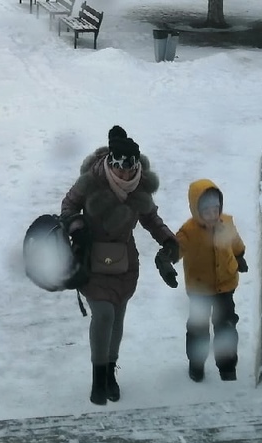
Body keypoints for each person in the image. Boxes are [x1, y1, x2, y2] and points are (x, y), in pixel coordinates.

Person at [61, 125, 180, 406]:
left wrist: (167, 239)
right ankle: (98, 378)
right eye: (120, 169)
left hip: (124, 265)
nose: (125, 175)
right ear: (111, 164)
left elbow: (151, 218)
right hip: (91, 261)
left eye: (130, 170)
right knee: (102, 316)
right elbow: (68, 206)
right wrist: (76, 227)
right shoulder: (91, 181)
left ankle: (111, 373)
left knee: (117, 320)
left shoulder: (139, 188)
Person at [157, 179, 247, 382]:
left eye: (216, 210)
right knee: (198, 329)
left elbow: (235, 242)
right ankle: (196, 365)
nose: (212, 215)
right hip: (200, 290)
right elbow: (175, 249)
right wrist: (165, 260)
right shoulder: (189, 232)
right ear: (197, 211)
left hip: (226, 285)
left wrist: (239, 256)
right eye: (207, 212)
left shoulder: (227, 223)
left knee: (226, 326)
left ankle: (227, 367)